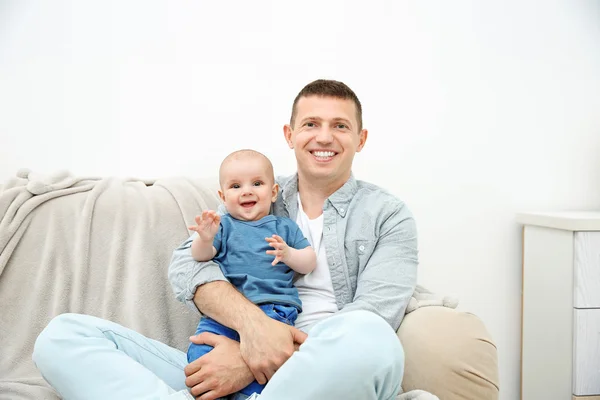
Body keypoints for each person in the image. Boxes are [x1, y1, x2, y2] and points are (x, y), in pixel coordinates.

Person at [33, 79, 418, 400]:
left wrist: (259, 358)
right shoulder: (253, 193)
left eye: (340, 126)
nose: (324, 137)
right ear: (290, 134)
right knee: (63, 336)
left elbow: (375, 313)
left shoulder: (387, 215)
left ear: (361, 138)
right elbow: (188, 266)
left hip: (315, 372)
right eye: (311, 124)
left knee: (372, 338)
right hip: (222, 353)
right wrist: (252, 333)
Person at [186, 149, 316, 398]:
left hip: (273, 310)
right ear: (223, 197)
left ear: (274, 192)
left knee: (266, 365)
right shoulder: (223, 226)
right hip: (225, 316)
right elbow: (201, 257)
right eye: (236, 186)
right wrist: (205, 237)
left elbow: (309, 262)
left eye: (257, 183)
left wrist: (289, 254)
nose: (247, 191)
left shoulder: (284, 227)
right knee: (201, 352)